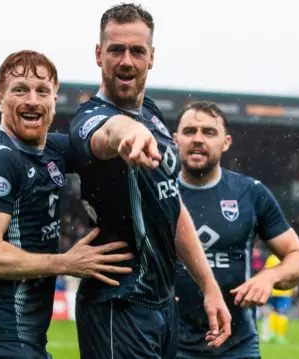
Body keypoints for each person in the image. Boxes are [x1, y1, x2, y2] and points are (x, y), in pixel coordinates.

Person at [68, 4, 231, 358]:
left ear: (151, 57)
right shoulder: (89, 118)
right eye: (116, 49)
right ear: (99, 54)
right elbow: (108, 133)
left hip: (161, 305)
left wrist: (209, 286)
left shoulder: (153, 115)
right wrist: (129, 133)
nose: (126, 60)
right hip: (118, 304)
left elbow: (172, 205)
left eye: (137, 51)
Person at [0, 50, 133, 359]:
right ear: (0, 100)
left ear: (54, 102)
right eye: (20, 90)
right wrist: (65, 263)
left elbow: (100, 143)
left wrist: (136, 134)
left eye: (42, 91)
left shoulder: (51, 149)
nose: (32, 100)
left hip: (24, 339)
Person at [173, 101, 299, 358]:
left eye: (209, 132)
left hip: (237, 345)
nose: (198, 139)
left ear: (226, 143)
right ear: (175, 140)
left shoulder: (250, 192)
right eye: (189, 131)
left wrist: (268, 278)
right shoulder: (156, 191)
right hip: (170, 344)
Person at [260, 254, 297, 344]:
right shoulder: (289, 258)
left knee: (273, 312)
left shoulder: (271, 258)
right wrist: (295, 286)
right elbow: (294, 274)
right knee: (282, 313)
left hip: (274, 291)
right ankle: (280, 336)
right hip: (285, 292)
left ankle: (271, 334)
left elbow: (266, 273)